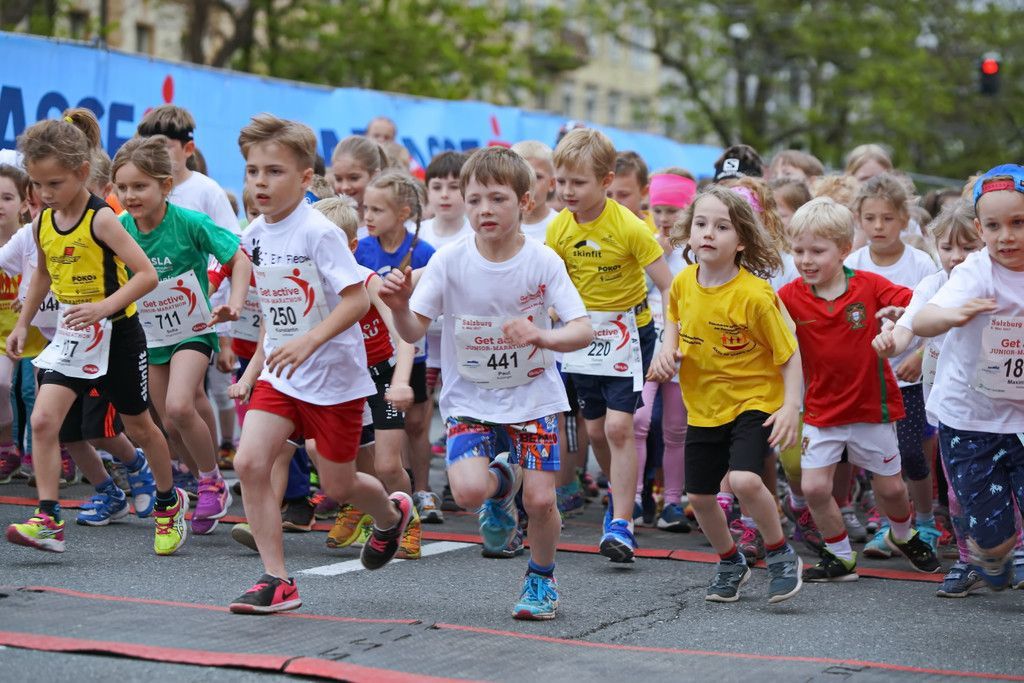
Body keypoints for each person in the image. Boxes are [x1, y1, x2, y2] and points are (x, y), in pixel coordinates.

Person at [381, 146, 593, 619]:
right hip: (470, 399)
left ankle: (540, 580)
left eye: (497, 199)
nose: (484, 210)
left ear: (525, 202)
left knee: (541, 499)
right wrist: (398, 306)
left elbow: (582, 329)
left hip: (533, 396)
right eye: (474, 200)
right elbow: (412, 332)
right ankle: (503, 485)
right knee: (469, 492)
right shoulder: (449, 261)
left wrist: (542, 335)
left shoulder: (543, 261)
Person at [227, 114, 412, 614]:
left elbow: (356, 299)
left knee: (338, 484)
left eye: (274, 172)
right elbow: (270, 297)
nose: (260, 183)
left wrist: (309, 341)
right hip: (282, 374)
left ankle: (390, 515)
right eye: (252, 171)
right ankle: (277, 579)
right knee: (248, 462)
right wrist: (250, 344)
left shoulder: (319, 232)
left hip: (333, 378)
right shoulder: (255, 232)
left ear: (305, 178)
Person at [5, 117, 184, 555]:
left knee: (140, 427)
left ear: (82, 172)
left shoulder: (102, 220)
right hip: (73, 338)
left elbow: (145, 275)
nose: (45, 193)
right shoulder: (42, 222)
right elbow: (42, 274)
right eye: (38, 184)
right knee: (44, 421)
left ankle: (168, 502)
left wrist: (103, 307)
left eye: (55, 183)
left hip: (118, 333)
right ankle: (49, 520)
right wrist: (24, 323)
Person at [648, 185, 802, 603]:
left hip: (754, 400)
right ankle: (731, 561)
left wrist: (791, 406)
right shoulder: (683, 282)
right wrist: (667, 353)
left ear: (742, 241)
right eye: (701, 224)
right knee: (699, 497)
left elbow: (789, 354)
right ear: (689, 231)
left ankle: (780, 552)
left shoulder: (755, 295)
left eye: (721, 227)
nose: (708, 233)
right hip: (704, 405)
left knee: (744, 479)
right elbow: (674, 321)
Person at [778, 197, 941, 582]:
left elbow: (917, 305)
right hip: (821, 410)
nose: (806, 260)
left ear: (844, 249)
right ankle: (840, 556)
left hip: (872, 408)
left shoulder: (869, 285)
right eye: (798, 251)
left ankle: (902, 533)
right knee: (814, 487)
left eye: (817, 251)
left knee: (892, 490)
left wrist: (899, 319)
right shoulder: (787, 296)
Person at [113, 135, 251, 535]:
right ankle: (206, 481)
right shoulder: (120, 228)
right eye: (122, 187)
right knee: (169, 424)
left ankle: (210, 482)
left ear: (165, 185)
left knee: (178, 406)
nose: (130, 196)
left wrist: (235, 304)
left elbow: (238, 258)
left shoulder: (190, 222)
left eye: (140, 186)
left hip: (193, 329)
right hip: (150, 334)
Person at [546, 128, 673, 563]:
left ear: (606, 181)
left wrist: (668, 343)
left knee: (620, 428)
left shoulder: (630, 226)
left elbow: (669, 286)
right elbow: (552, 285)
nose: (568, 191)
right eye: (562, 182)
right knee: (597, 430)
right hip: (583, 335)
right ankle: (619, 498)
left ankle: (622, 522)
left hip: (629, 334)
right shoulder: (559, 228)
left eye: (578, 183)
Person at [911, 164, 1024, 591]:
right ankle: (991, 550)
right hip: (972, 418)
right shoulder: (976, 271)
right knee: (992, 532)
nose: (1006, 236)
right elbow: (924, 319)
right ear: (979, 229)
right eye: (994, 226)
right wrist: (953, 314)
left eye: (1018, 223)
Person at [872, 200, 990, 596]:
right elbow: (908, 326)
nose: (956, 257)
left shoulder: (1003, 281)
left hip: (1004, 408)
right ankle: (968, 559)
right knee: (958, 490)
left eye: (968, 247)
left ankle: (1014, 553)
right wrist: (891, 341)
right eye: (947, 247)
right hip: (952, 407)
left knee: (1009, 487)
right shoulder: (933, 285)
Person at [314, 196, 418, 558]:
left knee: (387, 464)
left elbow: (404, 334)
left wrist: (401, 381)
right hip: (342, 382)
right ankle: (358, 505)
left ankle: (409, 519)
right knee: (333, 455)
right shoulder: (310, 285)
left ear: (352, 246)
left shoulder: (367, 281)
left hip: (382, 376)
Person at [845, 174, 941, 558]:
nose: (878, 226)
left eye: (887, 218)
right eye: (870, 218)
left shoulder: (921, 264)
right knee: (878, 457)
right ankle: (890, 525)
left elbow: (937, 314)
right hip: (869, 379)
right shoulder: (852, 263)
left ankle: (927, 522)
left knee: (913, 453)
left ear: (904, 218)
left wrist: (919, 356)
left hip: (910, 377)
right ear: (858, 219)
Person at [633, 171, 695, 532]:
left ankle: (671, 503)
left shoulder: (697, 251)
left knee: (676, 427)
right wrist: (658, 254)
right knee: (639, 421)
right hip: (645, 344)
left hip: (680, 347)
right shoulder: (645, 243)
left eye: (673, 210)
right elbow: (631, 290)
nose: (664, 218)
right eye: (657, 209)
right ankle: (633, 498)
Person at [330, 136, 388, 237]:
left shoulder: (389, 227)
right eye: (338, 179)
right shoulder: (327, 224)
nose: (345, 187)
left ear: (375, 176)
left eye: (354, 178)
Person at [511, 141, 559, 243]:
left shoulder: (562, 226)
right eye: (520, 176)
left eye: (537, 177)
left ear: (552, 183)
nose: (528, 184)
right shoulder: (499, 225)